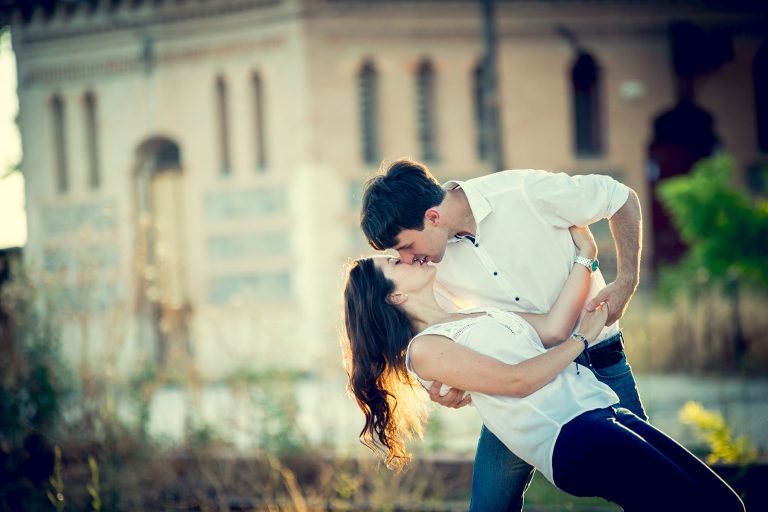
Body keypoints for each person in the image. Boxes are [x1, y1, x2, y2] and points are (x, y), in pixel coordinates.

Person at [341, 231, 745, 511]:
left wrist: (585, 255)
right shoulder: (424, 350)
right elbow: (517, 382)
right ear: (394, 295)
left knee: (725, 504)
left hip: (603, 413)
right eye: (395, 261)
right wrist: (581, 341)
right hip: (572, 437)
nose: (409, 257)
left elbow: (552, 326)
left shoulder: (473, 315)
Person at [360, 158, 646, 510]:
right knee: (491, 504)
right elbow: (444, 334)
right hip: (520, 390)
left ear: (432, 217)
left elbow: (620, 198)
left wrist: (627, 280)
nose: (406, 257)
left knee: (651, 489)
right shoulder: (429, 266)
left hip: (601, 359)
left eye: (404, 245)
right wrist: (446, 384)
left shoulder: (521, 193)